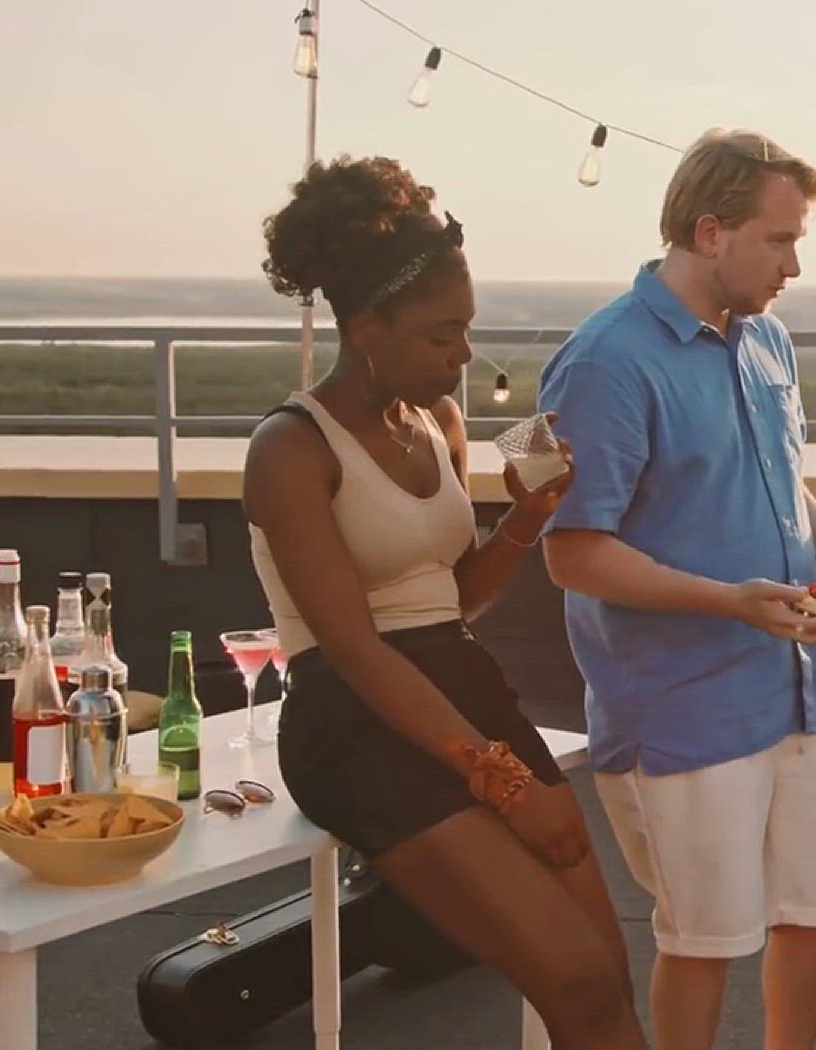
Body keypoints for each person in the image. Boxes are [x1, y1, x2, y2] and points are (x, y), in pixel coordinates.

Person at [246, 156, 646, 1050]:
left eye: (466, 328)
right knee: (574, 979)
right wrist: (506, 780)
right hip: (357, 721)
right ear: (366, 328)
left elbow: (450, 600)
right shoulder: (291, 449)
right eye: (441, 335)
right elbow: (355, 650)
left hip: (461, 693)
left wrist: (525, 520)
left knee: (606, 982)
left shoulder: (439, 423)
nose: (464, 354)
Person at [538, 128, 816, 1050]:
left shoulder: (768, 339)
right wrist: (731, 602)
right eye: (780, 240)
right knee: (705, 940)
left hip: (796, 691)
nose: (794, 266)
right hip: (680, 706)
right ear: (709, 232)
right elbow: (572, 554)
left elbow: (782, 479)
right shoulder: (603, 362)